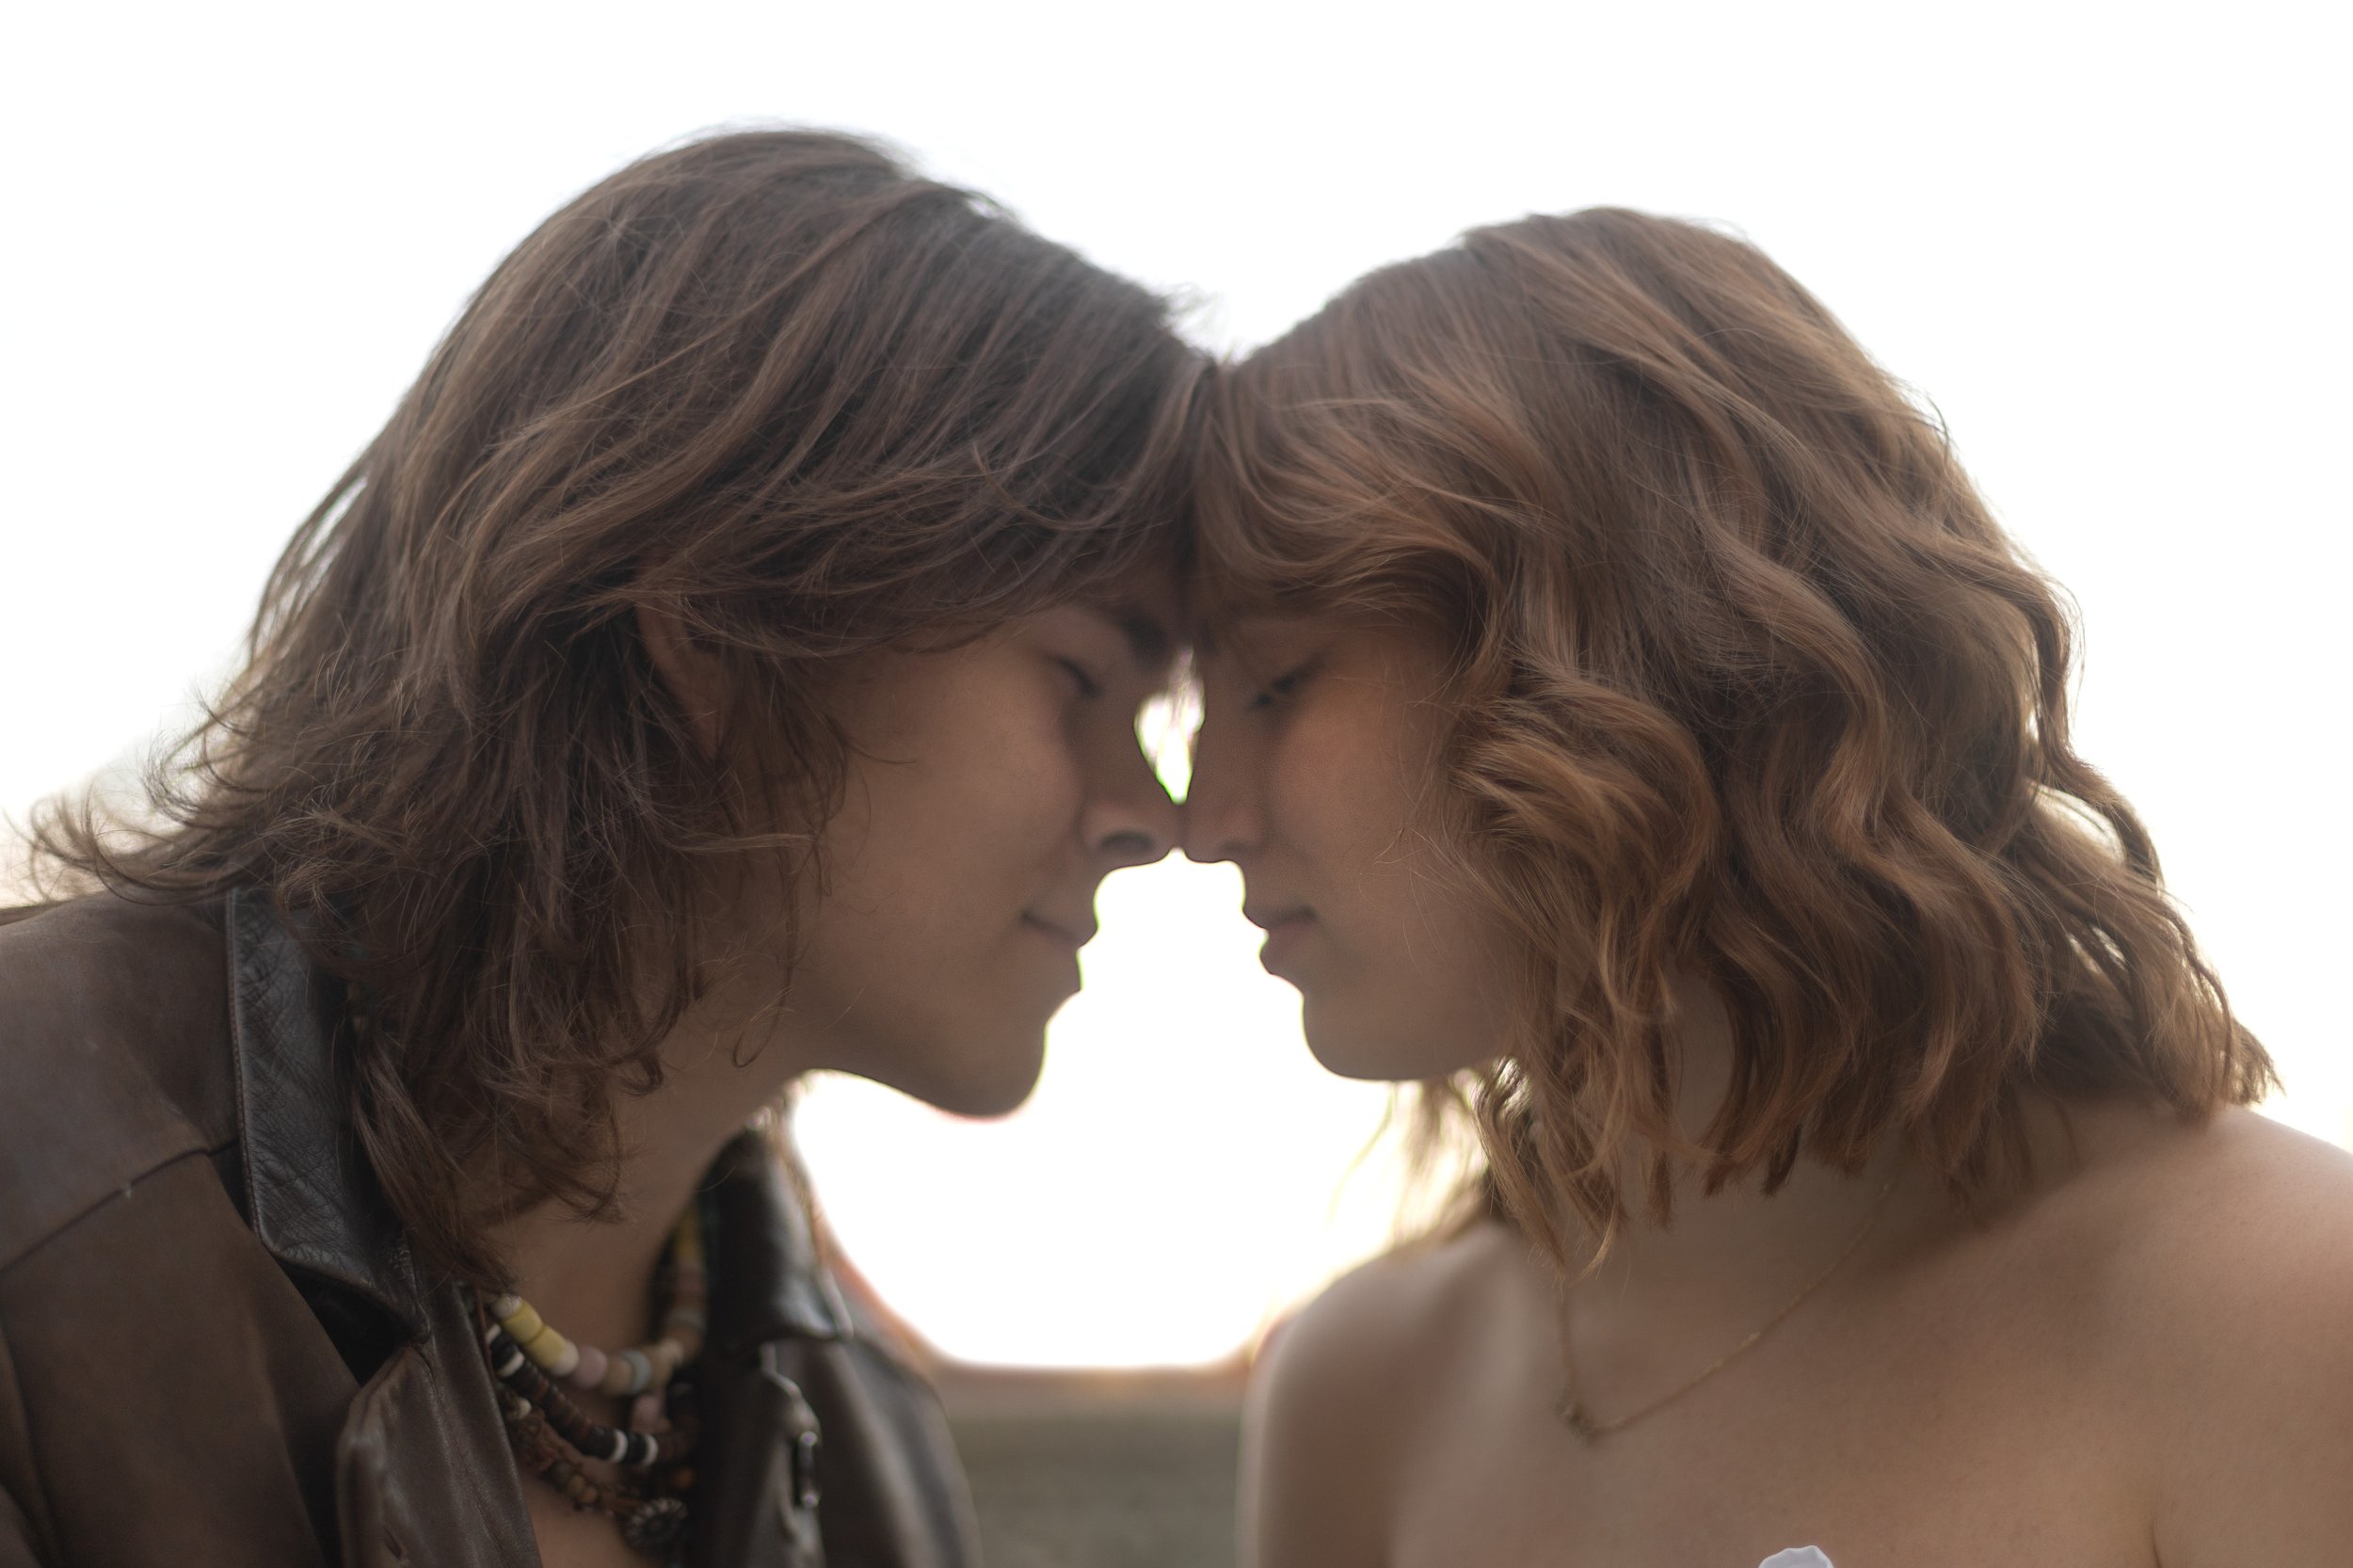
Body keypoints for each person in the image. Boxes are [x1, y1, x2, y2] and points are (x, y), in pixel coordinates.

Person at [0, 129, 1199, 1568]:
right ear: (719, 621)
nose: (1157, 813)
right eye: (1081, 678)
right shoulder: (37, 1182)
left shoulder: (864, 1456)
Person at [1184, 209, 2353, 1567]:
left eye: (1274, 684)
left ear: (1615, 646)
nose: (1201, 819)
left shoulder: (2277, 1308)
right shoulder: (1360, 1392)